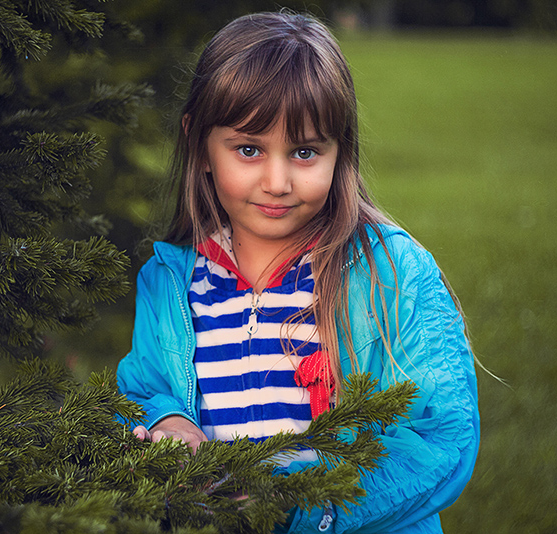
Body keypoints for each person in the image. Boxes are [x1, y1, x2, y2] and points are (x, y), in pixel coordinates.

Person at [116, 11, 479, 534]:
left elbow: (442, 437)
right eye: (248, 149)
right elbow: (141, 391)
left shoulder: (387, 274)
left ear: (340, 150)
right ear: (199, 144)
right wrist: (166, 421)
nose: (278, 181)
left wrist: (303, 504)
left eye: (305, 152)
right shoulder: (171, 282)